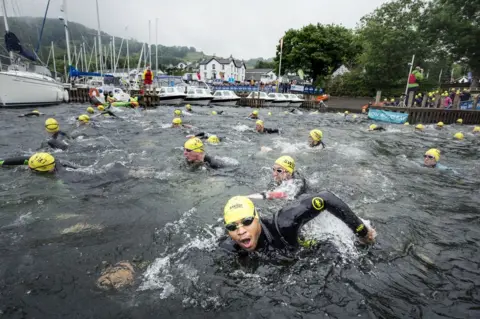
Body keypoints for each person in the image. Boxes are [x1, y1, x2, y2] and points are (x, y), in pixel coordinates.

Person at [219, 195, 376, 254]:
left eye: (246, 222)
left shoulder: (284, 223)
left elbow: (325, 197)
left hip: (303, 244)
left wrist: (361, 231)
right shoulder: (229, 246)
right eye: (232, 227)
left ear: (257, 218)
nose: (240, 231)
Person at [0, 152, 76, 173]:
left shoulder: (61, 174)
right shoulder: (34, 160)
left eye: (33, 170)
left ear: (50, 170)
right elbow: (12, 161)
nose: (29, 168)